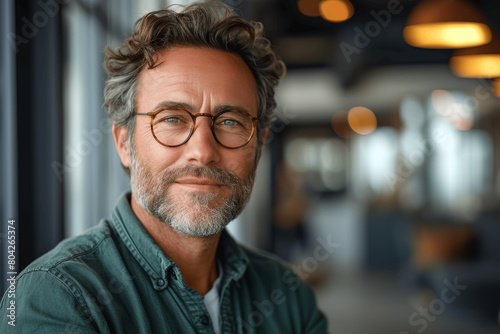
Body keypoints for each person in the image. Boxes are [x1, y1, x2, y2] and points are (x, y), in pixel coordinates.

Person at [0, 1, 328, 333]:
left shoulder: (287, 294)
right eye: (172, 118)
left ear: (259, 144)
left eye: (230, 122)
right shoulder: (58, 298)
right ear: (124, 143)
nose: (202, 151)